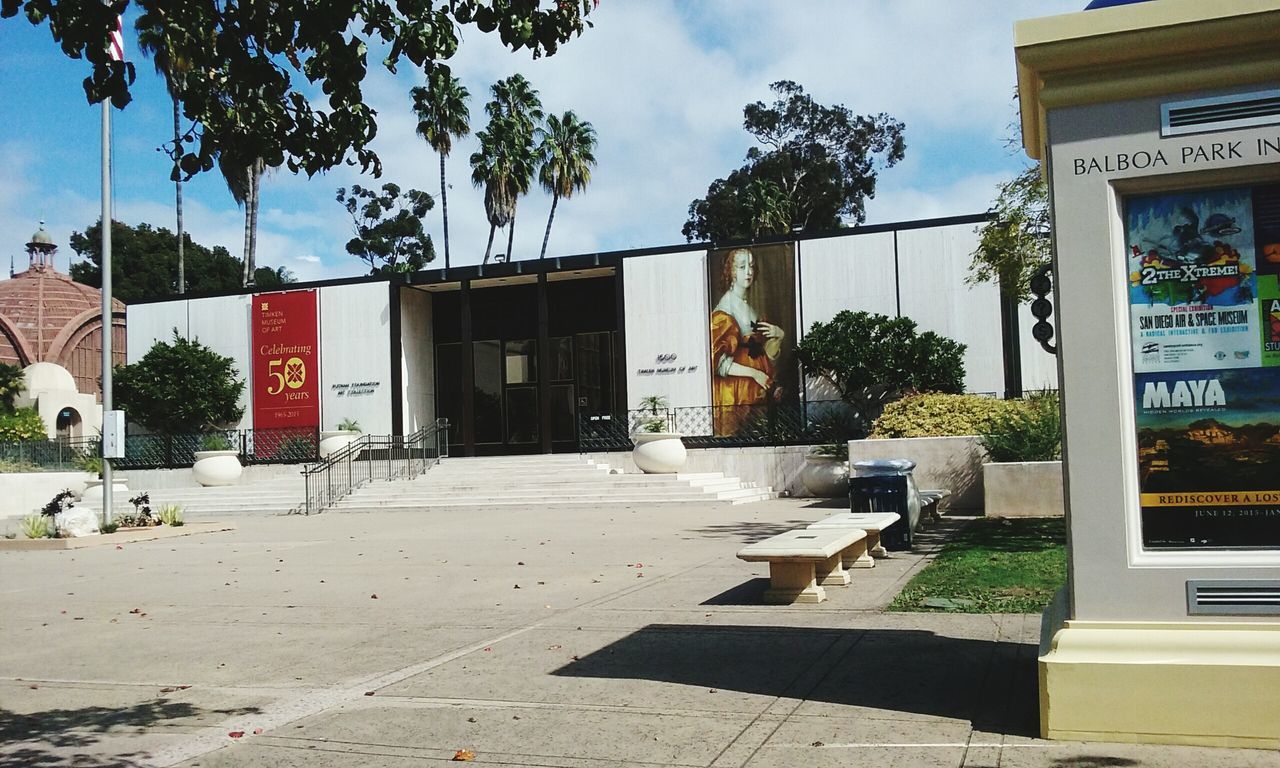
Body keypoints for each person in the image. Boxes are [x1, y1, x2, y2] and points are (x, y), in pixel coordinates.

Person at [710, 248, 784, 434]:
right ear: (731, 271)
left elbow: (762, 353)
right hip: (735, 390)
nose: (749, 272)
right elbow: (717, 361)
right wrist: (755, 374)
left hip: (753, 388)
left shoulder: (747, 306)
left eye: (751, 266)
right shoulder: (725, 308)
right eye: (742, 267)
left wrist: (778, 335)